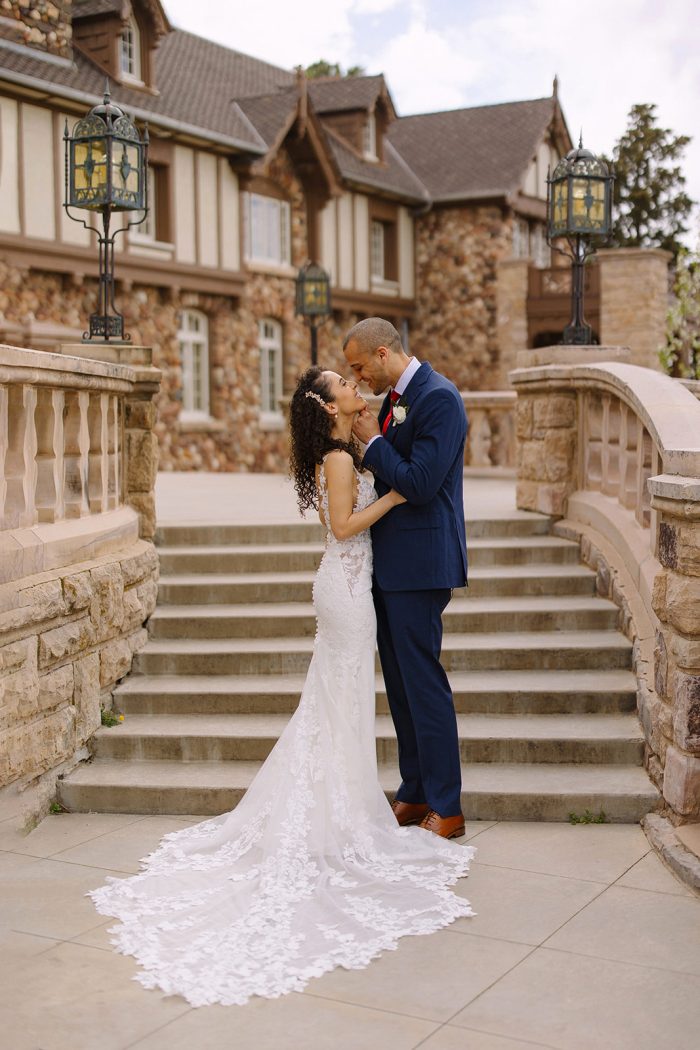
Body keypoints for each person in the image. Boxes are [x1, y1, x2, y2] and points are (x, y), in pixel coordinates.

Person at [88, 365, 474, 1009]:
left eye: (354, 372)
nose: (354, 383)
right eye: (343, 380)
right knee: (340, 702)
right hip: (348, 590)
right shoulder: (340, 458)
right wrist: (393, 499)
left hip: (355, 585)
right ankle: (344, 812)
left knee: (338, 703)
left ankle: (357, 802)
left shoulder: (350, 447)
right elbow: (344, 527)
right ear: (326, 405)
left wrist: (376, 458)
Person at [343, 318, 468, 839]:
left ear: (382, 353)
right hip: (392, 565)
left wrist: (374, 443)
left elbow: (419, 482)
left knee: (423, 683)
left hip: (422, 565)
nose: (358, 378)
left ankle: (448, 805)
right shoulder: (397, 398)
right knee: (399, 685)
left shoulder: (439, 398)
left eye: (358, 367)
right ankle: (415, 791)